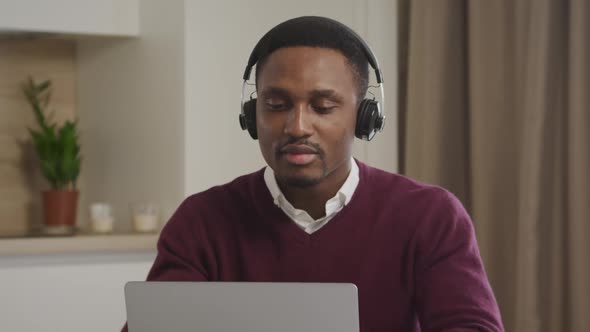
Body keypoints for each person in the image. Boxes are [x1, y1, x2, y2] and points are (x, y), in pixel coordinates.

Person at [123, 16, 504, 332]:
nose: (298, 126)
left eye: (323, 106)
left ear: (364, 116)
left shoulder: (429, 217)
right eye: (276, 105)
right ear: (252, 115)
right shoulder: (202, 221)